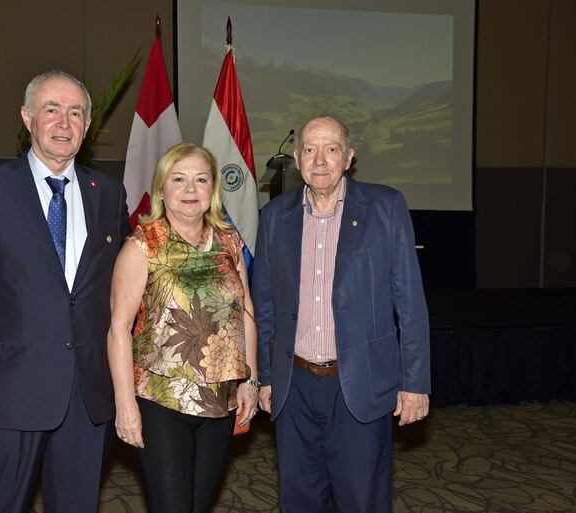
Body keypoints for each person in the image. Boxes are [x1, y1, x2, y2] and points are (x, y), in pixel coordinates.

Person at [0, 70, 130, 513]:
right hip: (10, 395)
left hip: (88, 396)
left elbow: (119, 295)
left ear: (87, 126)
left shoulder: (109, 195)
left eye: (76, 113)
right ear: (27, 118)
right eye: (52, 110)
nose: (64, 123)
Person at [252, 115, 430, 512]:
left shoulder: (385, 207)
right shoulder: (274, 218)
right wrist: (265, 377)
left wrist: (414, 382)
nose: (320, 159)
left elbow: (410, 303)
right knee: (299, 500)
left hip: (360, 383)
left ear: (349, 157)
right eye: (310, 149)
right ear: (297, 159)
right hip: (293, 386)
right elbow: (264, 306)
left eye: (331, 149)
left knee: (361, 500)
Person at [107, 142, 259, 513]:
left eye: (200, 179)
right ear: (162, 189)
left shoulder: (230, 242)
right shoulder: (142, 245)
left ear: (213, 190)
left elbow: (247, 313)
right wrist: (125, 404)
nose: (190, 189)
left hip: (220, 400)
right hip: (161, 400)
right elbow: (118, 329)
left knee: (200, 503)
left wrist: (250, 381)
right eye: (179, 179)